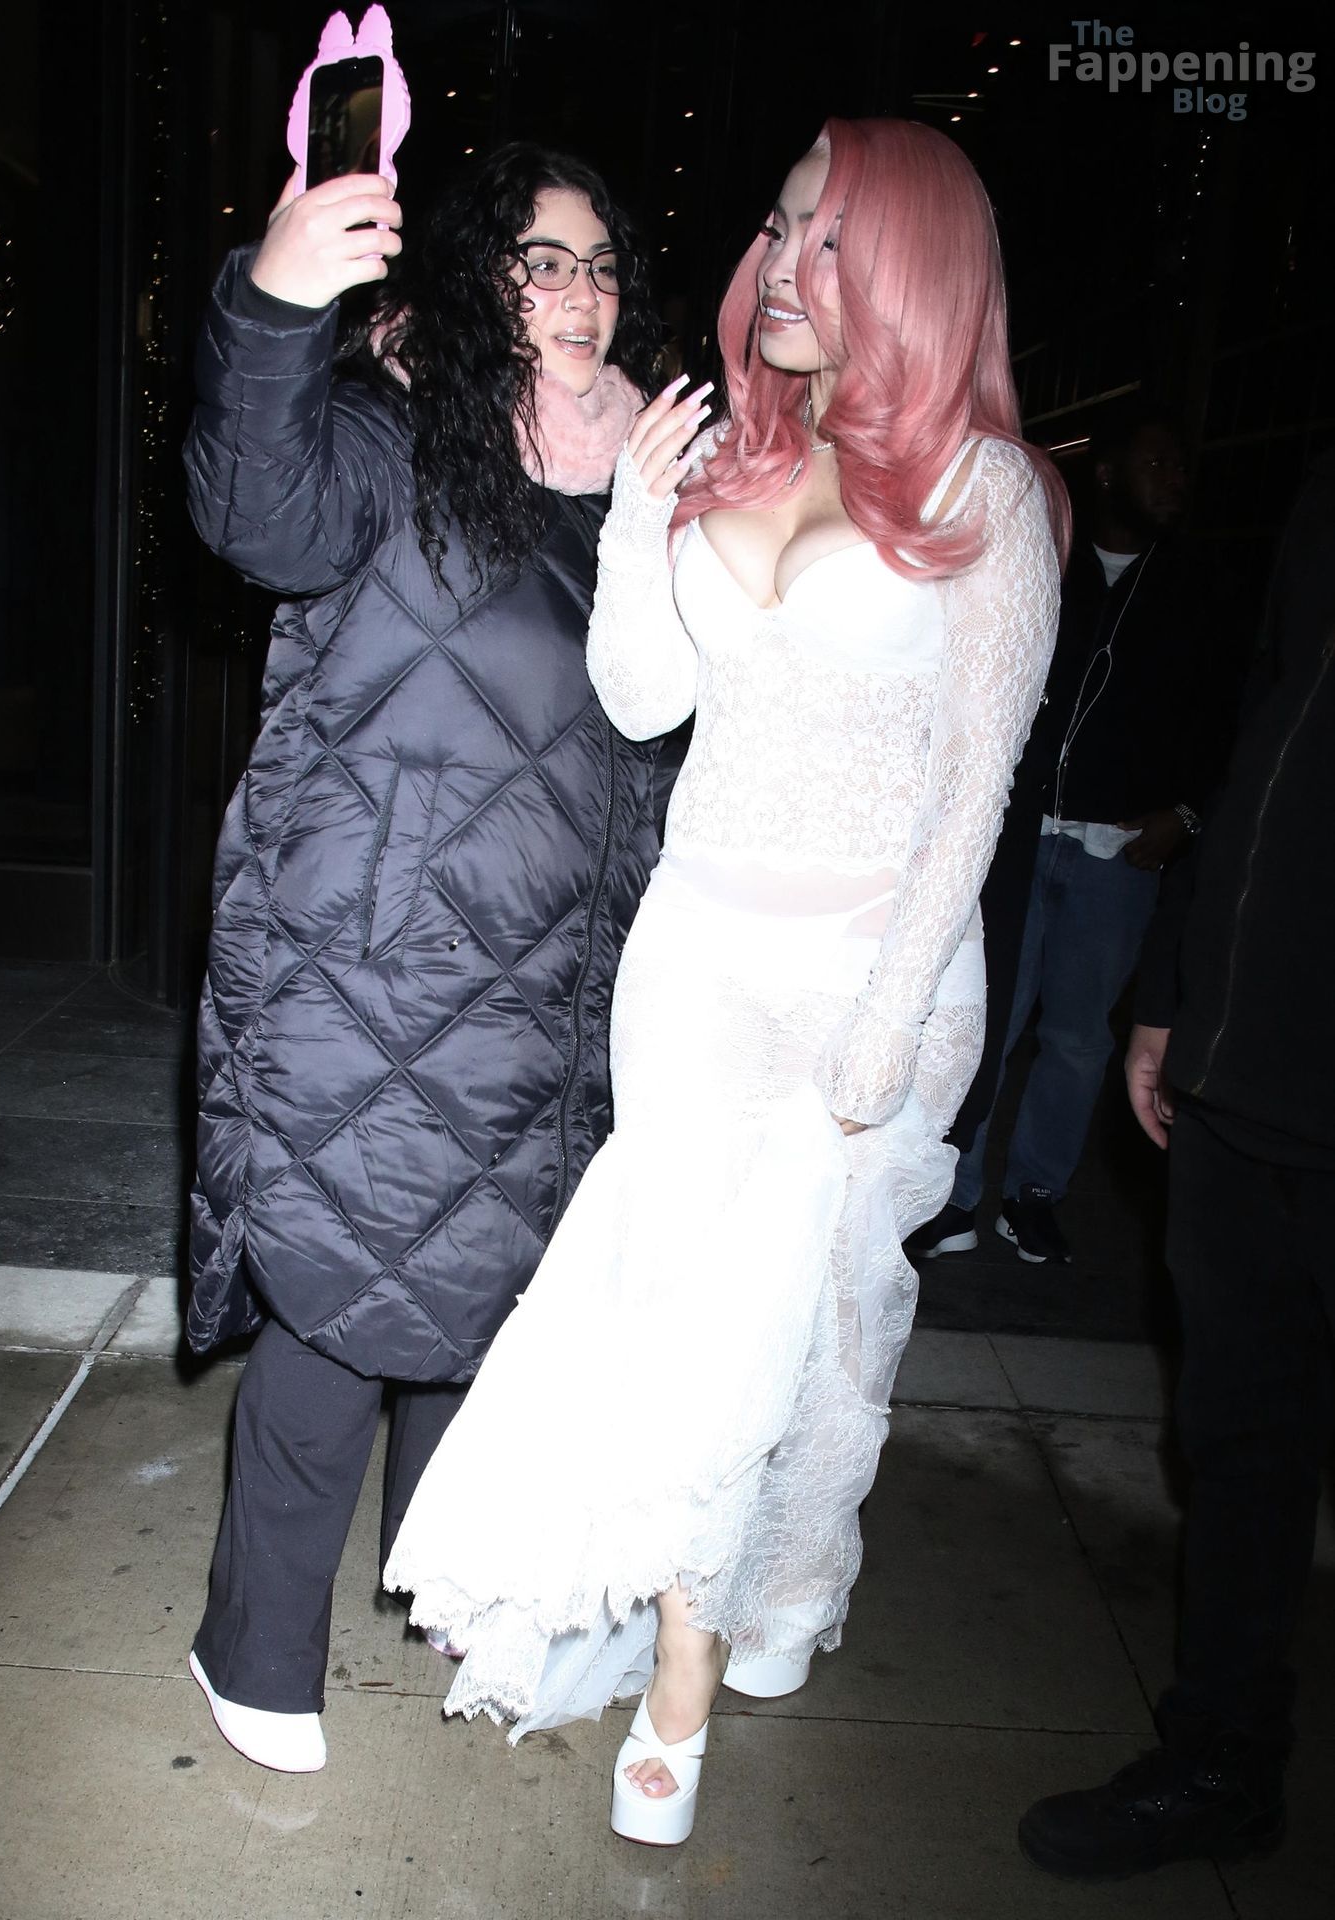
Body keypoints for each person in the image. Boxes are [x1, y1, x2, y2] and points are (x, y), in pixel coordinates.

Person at [384, 117, 1067, 1844]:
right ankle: (676, 1676)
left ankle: (781, 1585)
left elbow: (973, 792)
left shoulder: (988, 496)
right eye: (777, 225)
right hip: (692, 954)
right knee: (691, 1318)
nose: (779, 262)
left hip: (871, 973)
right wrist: (636, 519)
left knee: (825, 1337)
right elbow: (640, 702)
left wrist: (890, 1014)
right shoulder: (732, 453)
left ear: (909, 270)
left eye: (827, 238)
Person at [181, 143, 667, 1773]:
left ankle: (444, 1569)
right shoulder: (395, 435)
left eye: (598, 264)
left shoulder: (642, 480)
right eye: (539, 262)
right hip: (378, 963)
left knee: (493, 1295)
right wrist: (276, 308)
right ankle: (251, 1649)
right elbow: (255, 507)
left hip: (560, 982)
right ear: (474, 280)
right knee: (349, 1300)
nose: (579, 295)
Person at [1019, 447, 1335, 1879]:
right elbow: (1261, 734)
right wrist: (1168, 986)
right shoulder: (1318, 494)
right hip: (1239, 1067)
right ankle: (1220, 1763)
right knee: (1240, 1447)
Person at [912, 403, 1241, 1265]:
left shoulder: (1199, 586)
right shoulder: (1049, 559)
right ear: (1106, 472)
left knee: (1078, 1037)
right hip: (1020, 837)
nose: (1175, 481)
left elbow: (1228, 721)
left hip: (1118, 853)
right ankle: (952, 1193)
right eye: (1157, 463)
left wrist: (1188, 814)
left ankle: (1034, 1195)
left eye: (1181, 468)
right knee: (987, 1016)